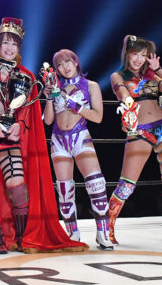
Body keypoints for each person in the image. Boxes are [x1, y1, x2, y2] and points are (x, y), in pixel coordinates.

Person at [0, 17, 87, 254]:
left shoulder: (25, 74)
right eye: (5, 42)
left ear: (19, 48)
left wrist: (21, 125)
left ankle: (22, 237)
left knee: (17, 186)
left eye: (14, 43)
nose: (9, 47)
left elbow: (26, 106)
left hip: (10, 135)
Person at [109, 35, 162, 246]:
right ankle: (106, 228)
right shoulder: (117, 76)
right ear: (127, 54)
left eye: (144, 55)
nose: (139, 59)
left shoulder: (153, 77)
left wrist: (158, 70)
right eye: (135, 54)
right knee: (127, 184)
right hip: (139, 131)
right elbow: (123, 95)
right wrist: (128, 106)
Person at [43, 49, 114, 250]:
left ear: (75, 62)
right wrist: (49, 98)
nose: (64, 67)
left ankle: (103, 234)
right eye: (59, 64)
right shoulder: (55, 87)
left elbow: (98, 117)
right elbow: (48, 120)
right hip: (58, 139)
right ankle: (72, 234)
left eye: (68, 62)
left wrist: (78, 108)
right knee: (64, 189)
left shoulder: (91, 85)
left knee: (96, 183)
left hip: (81, 136)